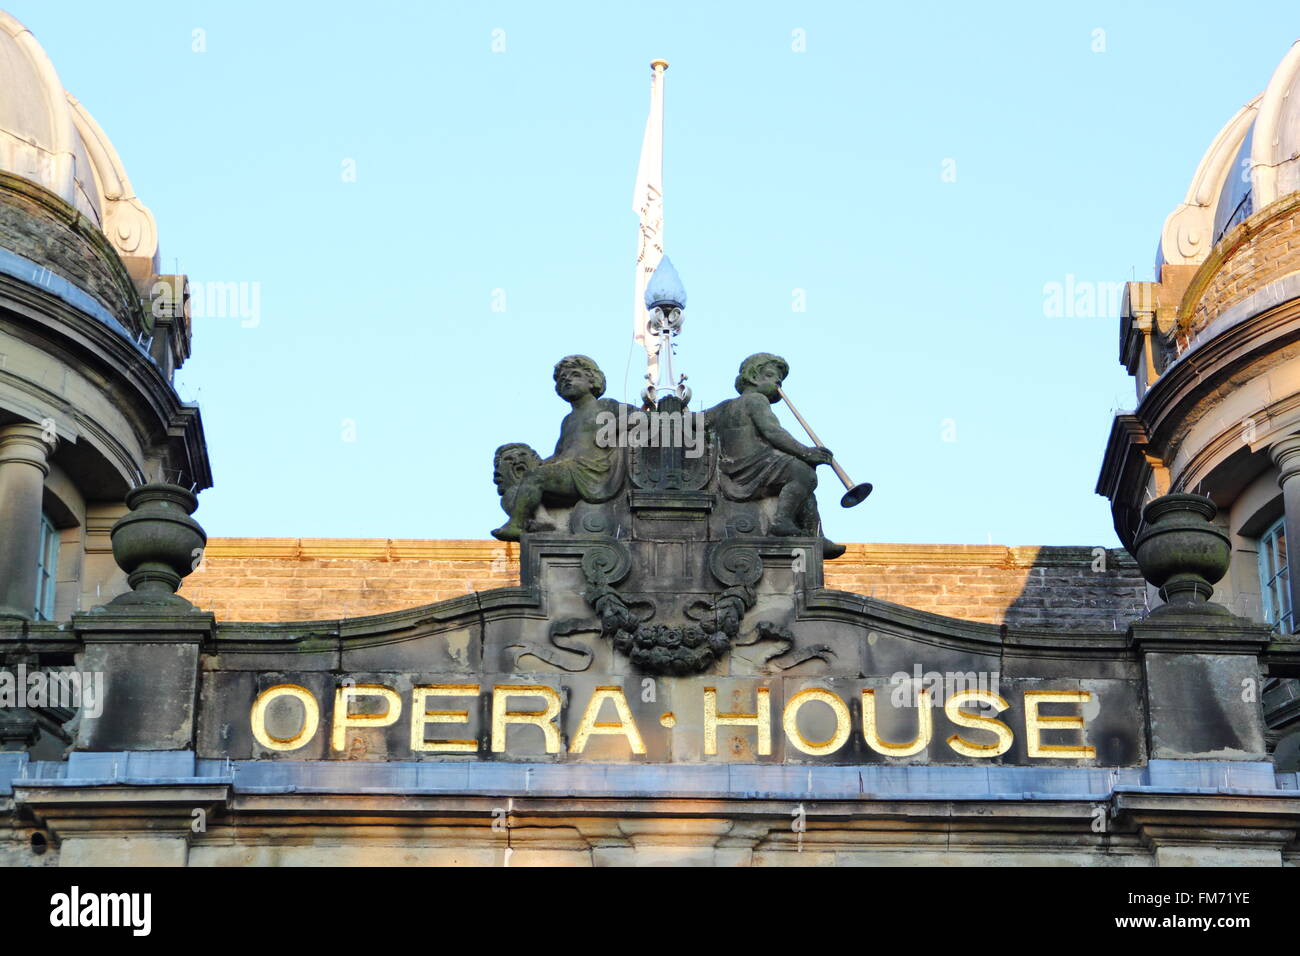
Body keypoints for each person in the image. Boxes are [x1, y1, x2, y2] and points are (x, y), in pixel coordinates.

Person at [705, 352, 845, 559]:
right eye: (771, 376)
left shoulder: (722, 407)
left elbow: (694, 421)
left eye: (780, 380)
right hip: (753, 466)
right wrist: (806, 452)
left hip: (736, 470)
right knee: (803, 472)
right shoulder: (756, 400)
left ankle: (816, 535)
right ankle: (782, 522)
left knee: (804, 484)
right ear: (754, 377)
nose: (778, 383)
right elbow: (773, 432)